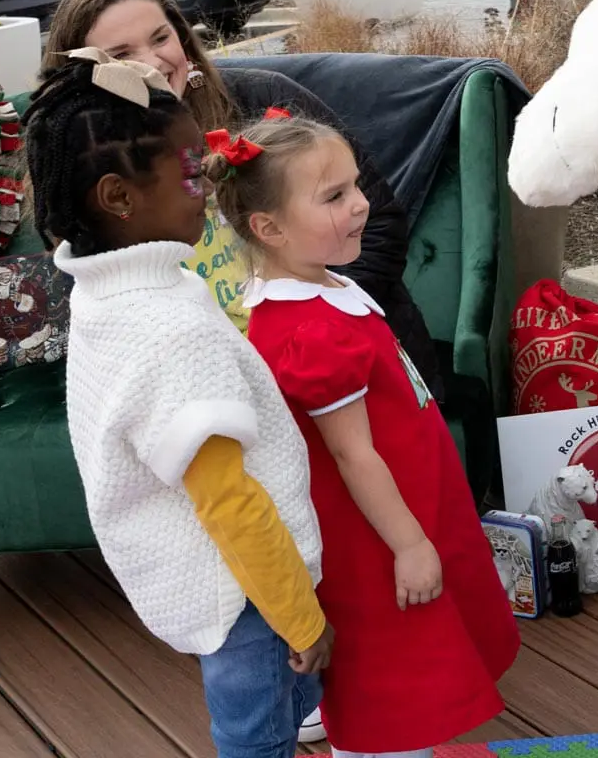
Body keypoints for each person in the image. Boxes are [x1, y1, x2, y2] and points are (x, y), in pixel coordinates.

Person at [28, 50, 333, 758]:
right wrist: (302, 618)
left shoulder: (112, 295)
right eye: (193, 173)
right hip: (249, 599)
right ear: (118, 196)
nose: (208, 185)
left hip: (214, 587)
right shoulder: (168, 328)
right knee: (256, 739)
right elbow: (227, 501)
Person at [206, 113, 518, 758]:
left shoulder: (322, 284)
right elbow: (352, 453)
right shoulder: (311, 331)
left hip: (403, 509)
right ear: (269, 228)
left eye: (354, 186)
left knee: (417, 662)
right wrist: (410, 545)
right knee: (388, 685)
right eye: (334, 197)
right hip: (376, 539)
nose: (360, 204)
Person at [40, 0, 440, 399]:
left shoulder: (262, 101)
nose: (154, 62)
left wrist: (311, 339)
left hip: (338, 362)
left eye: (161, 38)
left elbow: (378, 221)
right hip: (211, 388)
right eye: (121, 54)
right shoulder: (83, 172)